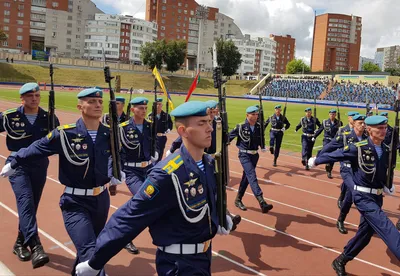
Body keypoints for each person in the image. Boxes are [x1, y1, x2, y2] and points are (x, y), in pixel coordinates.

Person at [74, 101, 233, 276]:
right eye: (202, 124)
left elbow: (207, 199)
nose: (209, 128)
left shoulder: (209, 163)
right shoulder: (167, 173)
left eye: (209, 122)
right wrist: (96, 261)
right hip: (179, 264)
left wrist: (220, 216)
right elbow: (130, 216)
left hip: (203, 258)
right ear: (183, 132)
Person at [1, 88, 123, 276]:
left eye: (100, 102)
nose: (97, 105)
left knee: (89, 251)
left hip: (101, 200)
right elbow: (38, 147)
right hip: (75, 202)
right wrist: (15, 161)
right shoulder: (65, 134)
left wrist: (114, 172)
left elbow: (113, 157)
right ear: (80, 106)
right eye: (91, 101)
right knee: (91, 253)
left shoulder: (109, 134)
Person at [308, 115, 400, 275]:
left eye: (385, 127)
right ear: (369, 130)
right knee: (386, 226)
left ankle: (341, 260)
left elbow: (382, 171)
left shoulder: (385, 149)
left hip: (377, 197)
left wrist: (387, 185)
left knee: (365, 234)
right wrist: (317, 160)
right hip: (363, 197)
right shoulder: (359, 147)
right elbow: (336, 154)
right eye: (379, 128)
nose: (383, 130)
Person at [0, 82, 59, 268]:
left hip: (40, 166)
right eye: (30, 96)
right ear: (22, 98)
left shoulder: (48, 117)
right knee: (25, 201)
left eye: (37, 95)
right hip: (16, 166)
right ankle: (36, 246)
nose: (34, 99)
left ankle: (19, 243)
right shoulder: (10, 117)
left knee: (31, 207)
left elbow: (57, 141)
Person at [119, 96, 159, 254]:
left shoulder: (150, 126)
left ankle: (125, 234)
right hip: (132, 171)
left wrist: (155, 152)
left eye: (145, 108)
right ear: (132, 109)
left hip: (149, 169)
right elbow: (118, 150)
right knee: (145, 198)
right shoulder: (122, 128)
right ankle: (126, 237)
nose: (143, 111)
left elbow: (153, 142)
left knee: (152, 198)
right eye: (140, 108)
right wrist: (118, 171)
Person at [317, 114, 368, 234]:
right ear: (354, 123)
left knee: (350, 198)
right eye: (360, 123)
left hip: (360, 171)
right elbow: (331, 146)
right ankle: (362, 222)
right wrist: (318, 157)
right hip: (347, 170)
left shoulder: (367, 137)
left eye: (364, 123)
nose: (363, 125)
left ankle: (341, 219)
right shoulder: (345, 136)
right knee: (357, 192)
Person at [230, 105, 273, 213]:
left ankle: (238, 199)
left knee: (246, 178)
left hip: (254, 155)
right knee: (251, 175)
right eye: (253, 114)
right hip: (244, 155)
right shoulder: (240, 126)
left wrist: (263, 146)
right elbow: (228, 138)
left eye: (257, 114)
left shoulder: (259, 127)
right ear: (247, 115)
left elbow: (261, 138)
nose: (255, 116)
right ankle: (261, 201)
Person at [314, 109, 342, 178]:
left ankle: (329, 170)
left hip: (335, 141)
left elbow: (341, 132)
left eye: (333, 114)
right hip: (327, 140)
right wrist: (314, 136)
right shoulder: (325, 122)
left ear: (335, 115)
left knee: (333, 156)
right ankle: (327, 163)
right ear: (329, 115)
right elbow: (320, 130)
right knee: (326, 152)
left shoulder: (339, 123)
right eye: (331, 114)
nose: (332, 115)